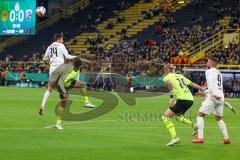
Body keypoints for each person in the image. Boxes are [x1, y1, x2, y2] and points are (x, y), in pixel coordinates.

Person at [39, 34, 95, 115]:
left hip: (52, 71)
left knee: (49, 88)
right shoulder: (61, 46)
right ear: (58, 39)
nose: (63, 41)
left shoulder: (49, 47)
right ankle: (86, 102)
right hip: (61, 70)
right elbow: (67, 56)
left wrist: (51, 60)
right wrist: (76, 56)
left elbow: (44, 59)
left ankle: (42, 105)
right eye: (62, 39)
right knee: (78, 80)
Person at [162, 64, 205, 146]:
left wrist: (171, 97)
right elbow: (191, 83)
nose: (164, 71)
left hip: (183, 99)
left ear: (167, 70)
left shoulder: (167, 77)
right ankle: (193, 125)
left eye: (164, 69)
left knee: (165, 116)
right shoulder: (180, 76)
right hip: (190, 99)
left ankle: (175, 138)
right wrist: (201, 88)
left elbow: (170, 86)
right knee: (178, 117)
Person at [192, 56, 231, 144]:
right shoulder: (219, 73)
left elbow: (210, 85)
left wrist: (211, 95)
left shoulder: (208, 71)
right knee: (219, 119)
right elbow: (216, 86)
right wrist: (204, 93)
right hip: (221, 97)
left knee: (199, 115)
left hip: (213, 97)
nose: (206, 63)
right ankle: (226, 139)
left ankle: (200, 138)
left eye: (208, 62)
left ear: (211, 63)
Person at [50, 59, 94, 129]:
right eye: (81, 66)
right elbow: (60, 82)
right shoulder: (69, 71)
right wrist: (64, 92)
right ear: (78, 66)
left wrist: (88, 61)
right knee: (63, 104)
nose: (82, 67)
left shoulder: (77, 68)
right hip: (61, 85)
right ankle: (58, 123)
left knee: (82, 85)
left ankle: (87, 102)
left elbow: (79, 60)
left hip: (69, 82)